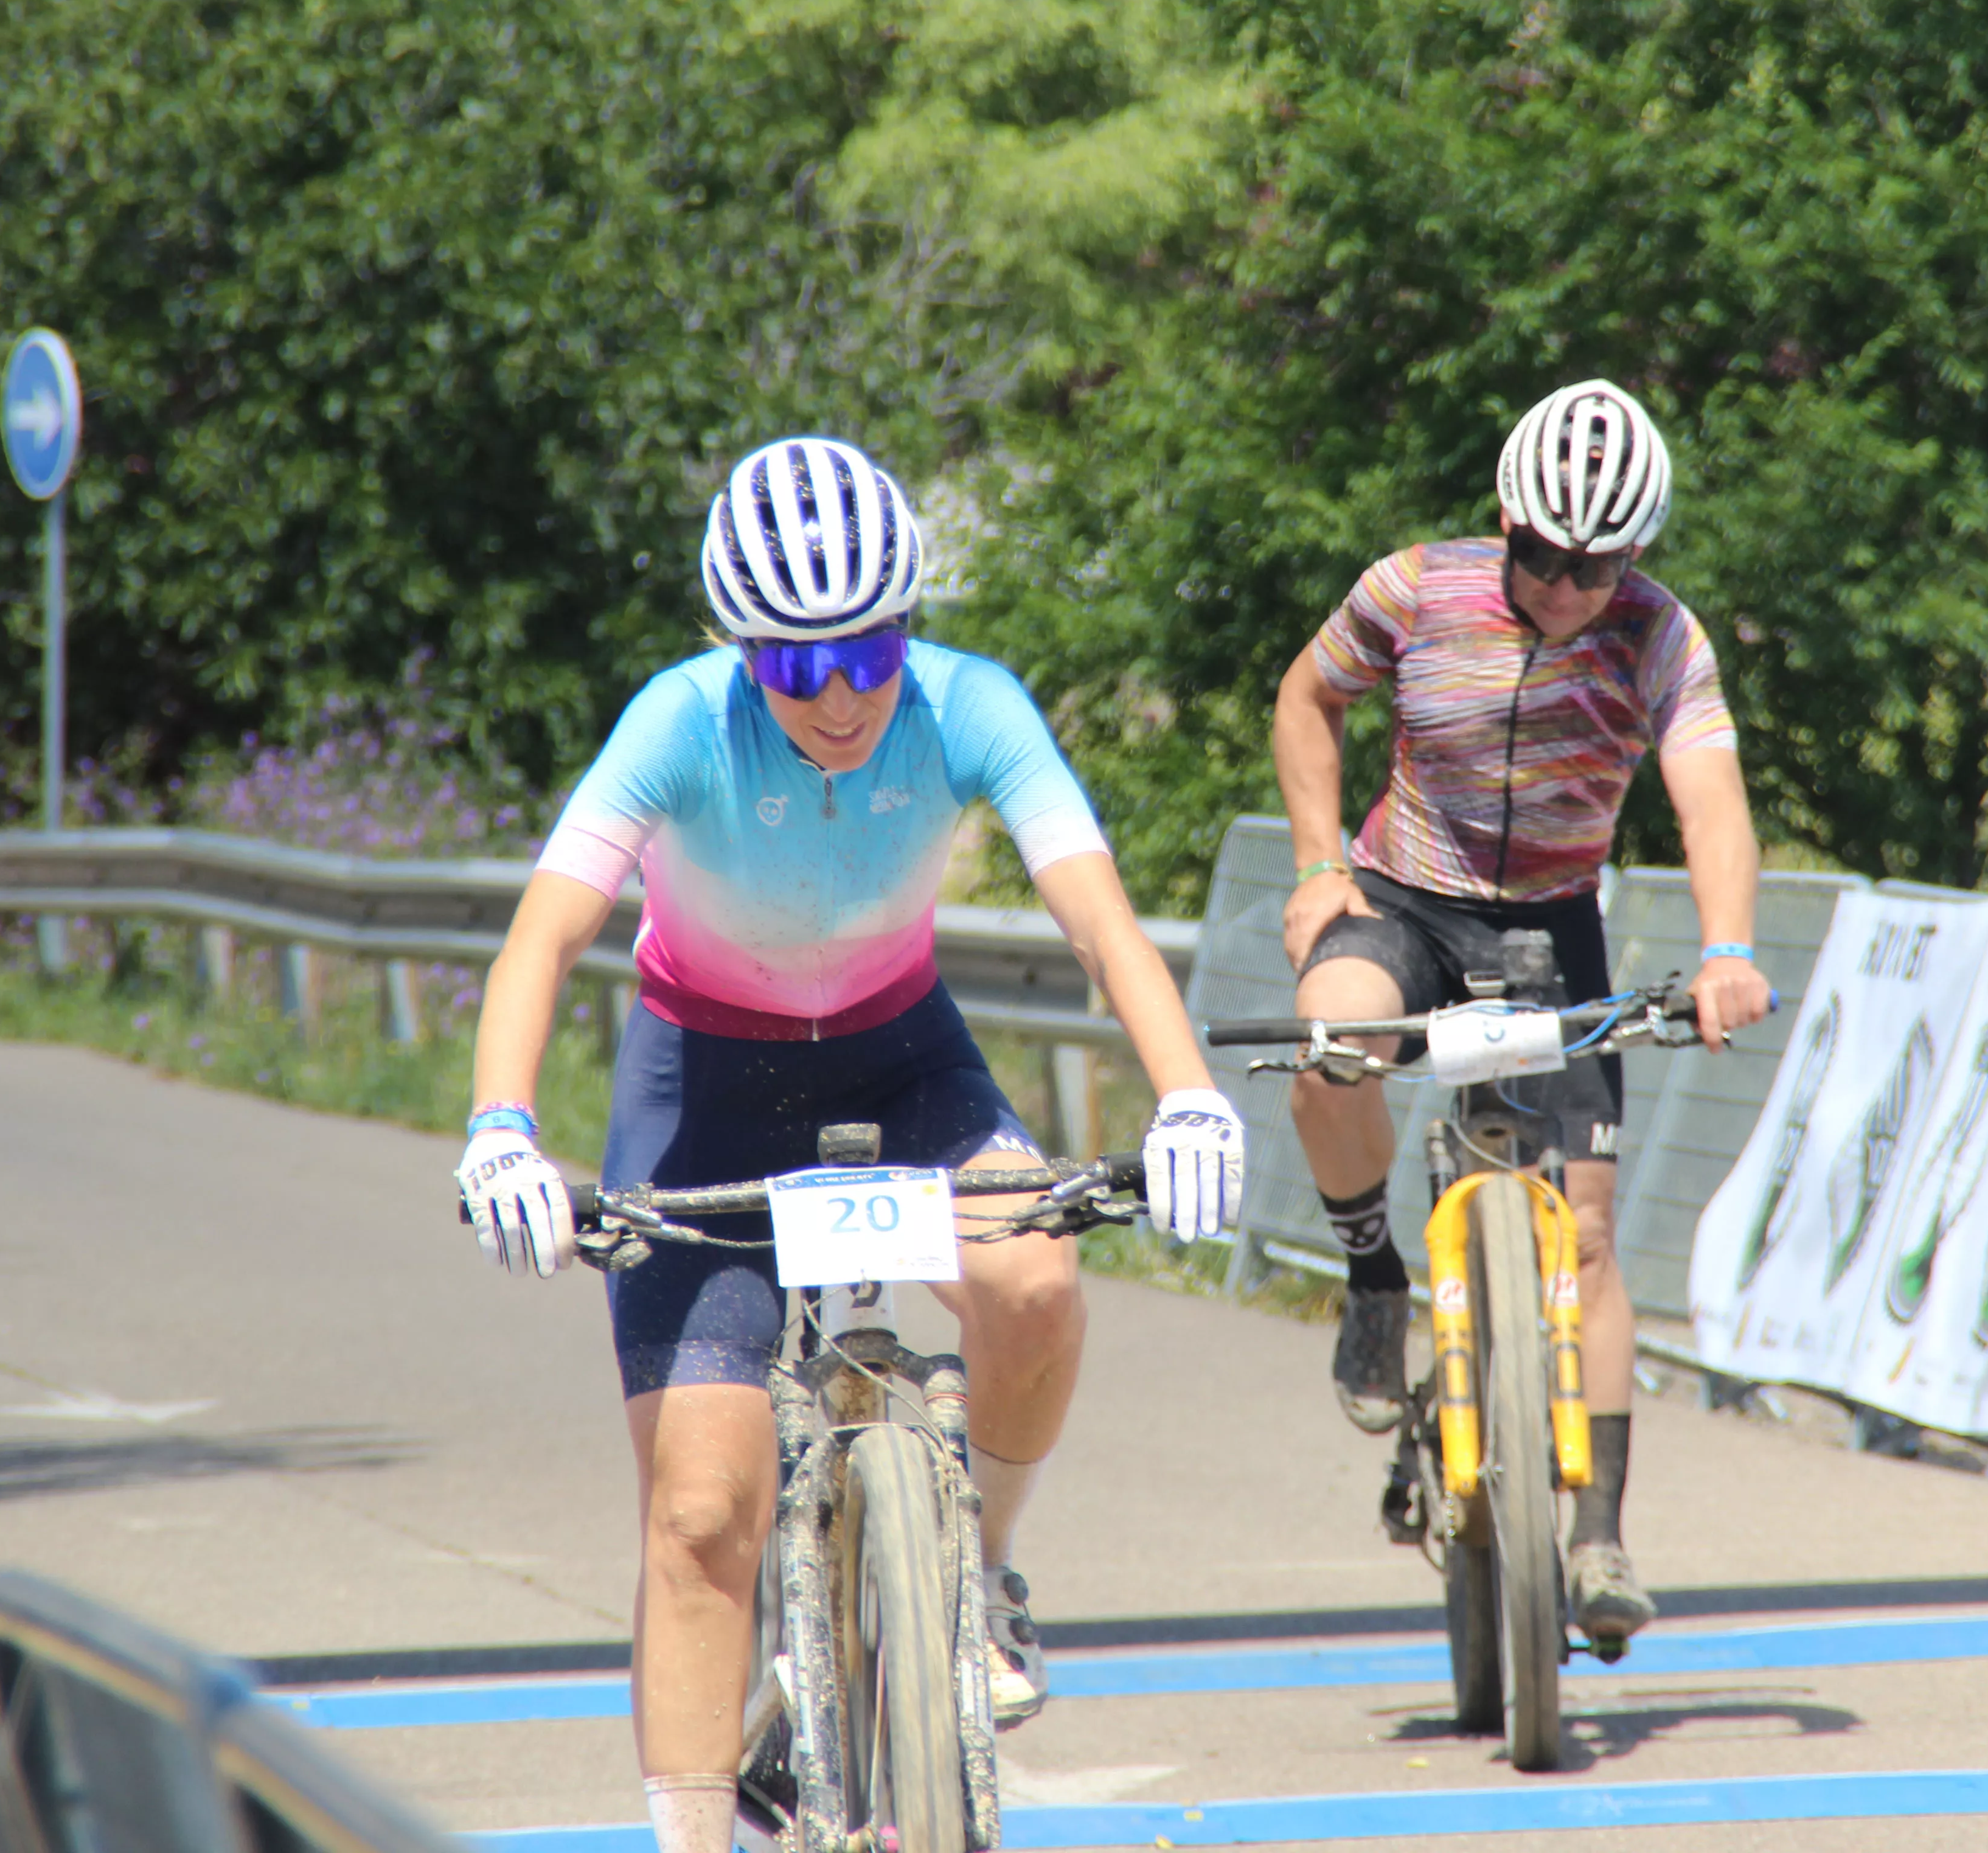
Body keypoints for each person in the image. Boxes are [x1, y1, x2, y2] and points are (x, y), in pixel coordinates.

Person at [456, 436, 1244, 1853]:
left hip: (901, 1053)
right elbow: (544, 933)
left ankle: (982, 1569)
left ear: (909, 628)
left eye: (869, 651)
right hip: (702, 1077)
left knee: (1038, 1282)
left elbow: (1102, 924)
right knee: (701, 1517)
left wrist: (1186, 1094)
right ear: (739, 655)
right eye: (791, 666)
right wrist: (501, 1131)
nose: (837, 696)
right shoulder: (678, 720)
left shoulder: (974, 706)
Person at [1270, 378, 1773, 1647]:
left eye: (1595, 570)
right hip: (1403, 894)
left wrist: (1726, 950)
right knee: (1335, 1041)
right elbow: (1305, 698)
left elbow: (1710, 797)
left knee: (1589, 1235)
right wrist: (1318, 862)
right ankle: (1377, 1280)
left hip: (1552, 923)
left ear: (1635, 559)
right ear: (1505, 519)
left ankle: (1598, 1535)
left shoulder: (1661, 637)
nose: (1562, 589)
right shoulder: (1411, 588)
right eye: (1541, 557)